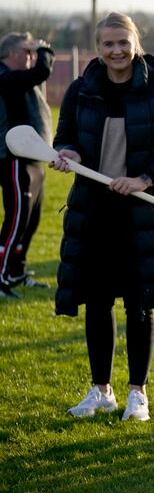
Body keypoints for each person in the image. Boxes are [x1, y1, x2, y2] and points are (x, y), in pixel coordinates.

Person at [51, 12, 154, 421]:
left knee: (139, 303)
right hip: (95, 211)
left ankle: (138, 393)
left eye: (123, 42)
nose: (116, 51)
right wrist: (70, 155)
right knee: (97, 302)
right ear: (98, 48)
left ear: (136, 43)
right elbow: (66, 139)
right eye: (108, 44)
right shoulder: (82, 90)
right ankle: (101, 391)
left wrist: (144, 179)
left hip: (142, 213)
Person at [0, 32, 54, 298]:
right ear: (11, 54)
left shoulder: (18, 79)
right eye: (27, 51)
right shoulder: (6, 77)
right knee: (15, 222)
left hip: (34, 158)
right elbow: (41, 72)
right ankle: (0, 277)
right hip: (15, 160)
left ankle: (16, 272)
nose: (32, 56)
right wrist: (44, 48)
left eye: (34, 52)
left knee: (30, 222)